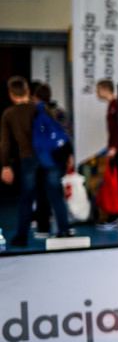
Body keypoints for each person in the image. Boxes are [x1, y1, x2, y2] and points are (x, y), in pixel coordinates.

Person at [1, 76, 73, 246]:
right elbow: (58, 132)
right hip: (50, 157)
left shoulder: (9, 114)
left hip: (28, 159)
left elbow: (5, 143)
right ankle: (64, 230)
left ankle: (22, 237)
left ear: (11, 94)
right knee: (55, 195)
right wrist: (68, 154)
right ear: (28, 92)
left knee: (27, 198)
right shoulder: (41, 107)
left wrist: (5, 166)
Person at [29, 82, 74, 237]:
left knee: (42, 192)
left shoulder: (34, 112)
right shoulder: (58, 111)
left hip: (42, 157)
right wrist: (69, 154)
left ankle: (43, 227)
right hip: (58, 157)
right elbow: (67, 134)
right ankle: (63, 227)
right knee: (56, 194)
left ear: (34, 96)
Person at [95, 78, 118, 230]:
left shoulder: (116, 105)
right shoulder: (112, 106)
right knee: (116, 184)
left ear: (104, 90)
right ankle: (116, 215)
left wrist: (114, 147)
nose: (97, 93)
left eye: (98, 90)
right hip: (115, 149)